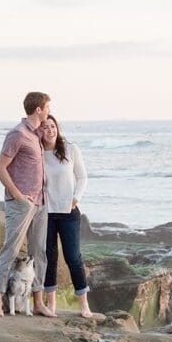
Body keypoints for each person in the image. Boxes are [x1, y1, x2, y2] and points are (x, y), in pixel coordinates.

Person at [0, 91, 56, 318]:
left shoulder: (37, 135)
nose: (49, 111)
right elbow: (0, 167)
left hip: (41, 203)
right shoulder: (17, 134)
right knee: (11, 250)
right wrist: (18, 196)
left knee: (40, 253)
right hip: (21, 205)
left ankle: (37, 302)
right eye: (47, 107)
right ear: (38, 109)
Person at [41, 115, 100, 319]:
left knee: (73, 257)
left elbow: (82, 177)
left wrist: (75, 198)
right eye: (45, 127)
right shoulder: (37, 152)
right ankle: (51, 305)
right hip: (45, 212)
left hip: (69, 213)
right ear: (39, 130)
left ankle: (84, 305)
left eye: (53, 126)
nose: (50, 130)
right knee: (49, 258)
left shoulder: (70, 148)